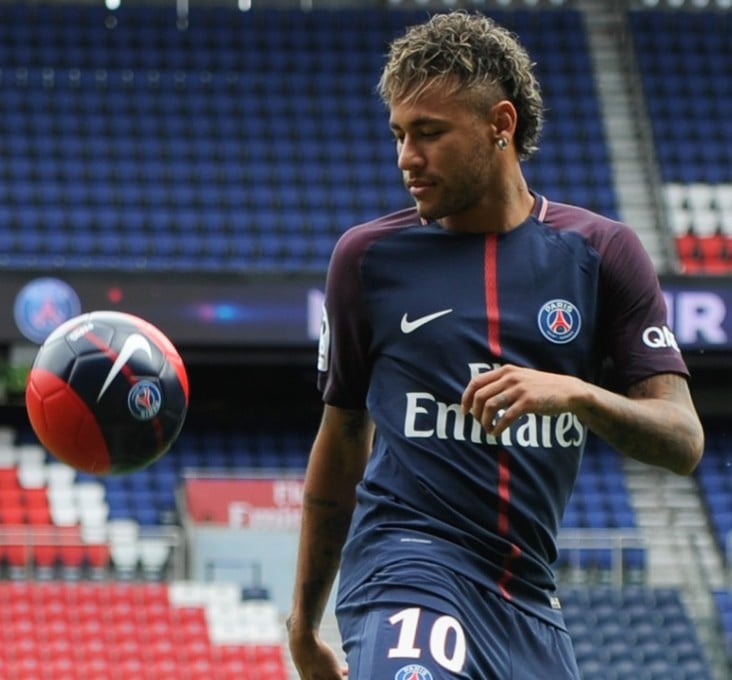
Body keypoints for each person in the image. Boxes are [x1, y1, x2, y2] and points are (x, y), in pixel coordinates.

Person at [286, 10, 705, 680]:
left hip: (529, 603)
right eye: (399, 134)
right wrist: (305, 625)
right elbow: (341, 439)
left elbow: (683, 439)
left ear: (500, 125)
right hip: (408, 568)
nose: (406, 158)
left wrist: (577, 394)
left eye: (429, 133)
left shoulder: (602, 254)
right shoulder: (366, 260)